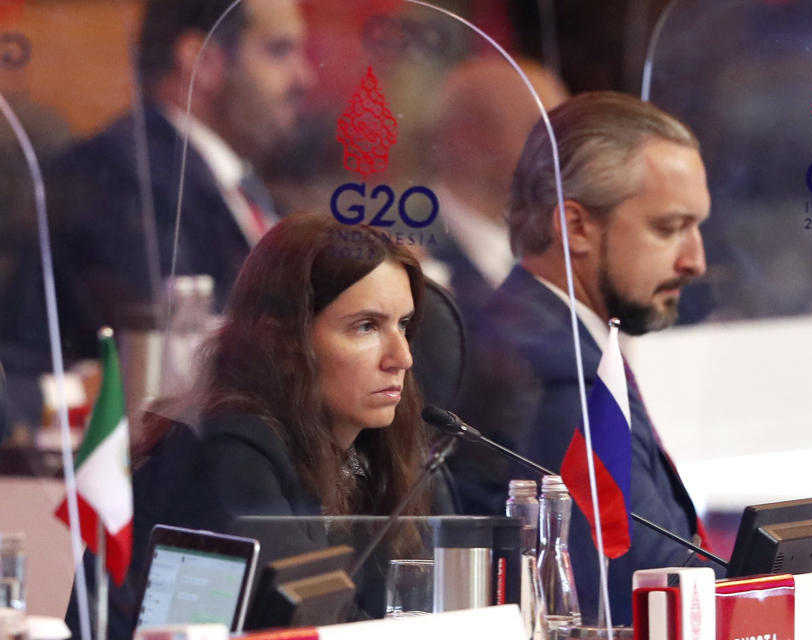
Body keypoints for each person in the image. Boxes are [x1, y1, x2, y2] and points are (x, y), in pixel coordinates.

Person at [65, 213, 441, 640]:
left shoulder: (359, 454)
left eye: (404, 325)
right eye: (366, 326)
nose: (402, 357)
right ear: (280, 340)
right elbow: (307, 619)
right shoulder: (227, 451)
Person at [449, 92, 715, 624]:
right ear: (574, 227)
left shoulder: (560, 341)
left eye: (697, 226)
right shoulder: (550, 366)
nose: (696, 261)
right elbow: (647, 590)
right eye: (668, 228)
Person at [50, 0, 314, 359]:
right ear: (201, 60)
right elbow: (177, 353)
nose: (305, 77)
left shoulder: (240, 182)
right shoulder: (119, 175)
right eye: (279, 50)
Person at [424, 57, 568, 324]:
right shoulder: (399, 249)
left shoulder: (563, 247)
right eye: (540, 129)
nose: (560, 150)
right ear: (468, 138)